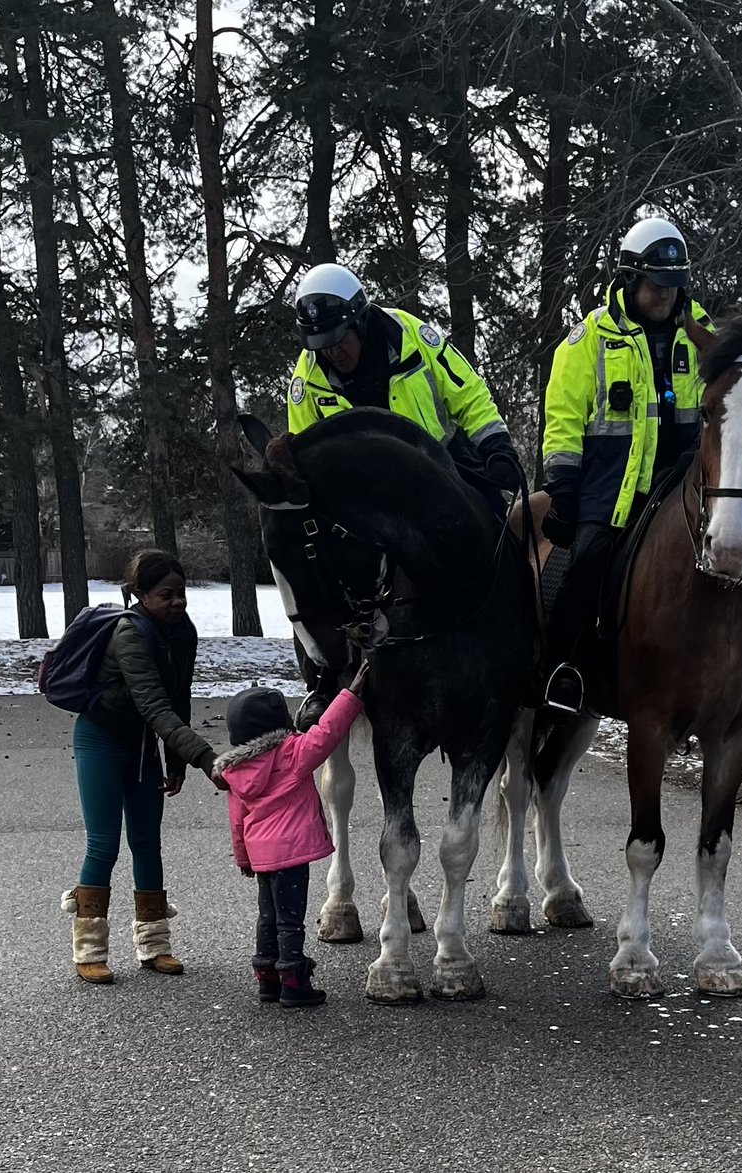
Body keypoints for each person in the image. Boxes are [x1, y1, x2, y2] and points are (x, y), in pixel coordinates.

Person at [539, 214, 742, 715]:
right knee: (586, 564)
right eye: (657, 285)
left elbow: (728, 406)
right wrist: (563, 484)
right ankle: (565, 668)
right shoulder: (588, 341)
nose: (666, 296)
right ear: (630, 279)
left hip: (683, 483)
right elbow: (562, 417)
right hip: (611, 491)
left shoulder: (703, 336)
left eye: (675, 285)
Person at [286, 262, 524, 724]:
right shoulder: (306, 380)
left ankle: (523, 657)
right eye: (322, 346)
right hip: (360, 500)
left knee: (501, 539)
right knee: (313, 565)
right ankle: (321, 680)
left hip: (440, 471)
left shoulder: (416, 337)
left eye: (339, 339)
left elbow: (468, 393)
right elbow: (305, 449)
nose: (333, 352)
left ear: (360, 320)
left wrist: (496, 444)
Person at [60, 550, 221, 986]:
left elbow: (178, 700)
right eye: (166, 595)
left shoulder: (182, 633)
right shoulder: (128, 633)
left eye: (182, 593)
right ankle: (89, 950)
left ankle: (155, 946)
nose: (177, 603)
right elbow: (153, 704)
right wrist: (206, 758)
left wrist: (177, 763)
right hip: (101, 741)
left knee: (148, 843)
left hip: (146, 747)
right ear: (139, 595)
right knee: (104, 845)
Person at [212, 667, 367, 1007]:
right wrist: (351, 694)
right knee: (290, 921)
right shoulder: (292, 753)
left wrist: (243, 859)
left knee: (267, 918)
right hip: (292, 856)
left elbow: (237, 821)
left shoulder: (236, 771)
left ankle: (267, 979)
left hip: (261, 859)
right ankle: (294, 983)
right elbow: (327, 732)